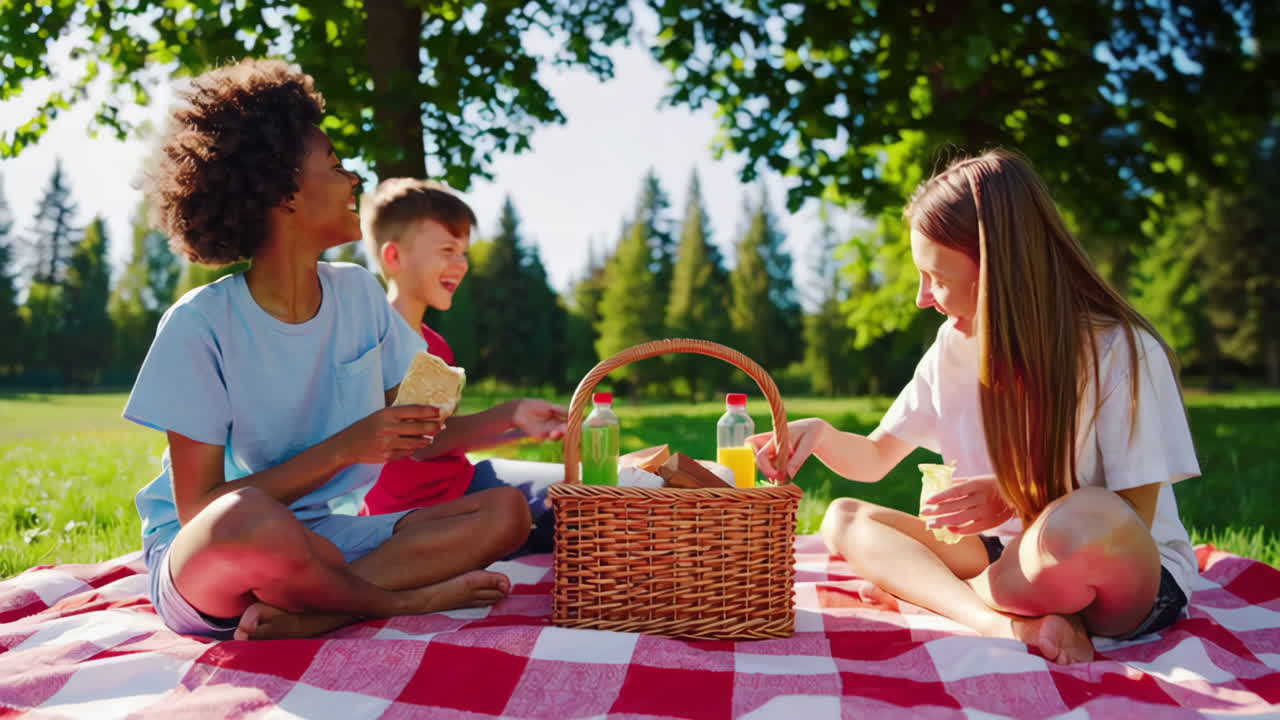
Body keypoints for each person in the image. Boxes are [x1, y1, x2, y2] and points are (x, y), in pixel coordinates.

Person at [125, 59, 532, 642]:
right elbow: (200, 510)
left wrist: (493, 417)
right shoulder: (198, 326)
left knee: (505, 512)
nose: (353, 181)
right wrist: (349, 447)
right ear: (283, 191)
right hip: (217, 558)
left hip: (325, 539)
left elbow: (420, 439)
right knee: (251, 522)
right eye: (337, 166)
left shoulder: (360, 295)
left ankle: (318, 613)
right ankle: (398, 602)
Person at [751, 150, 1199, 664]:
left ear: (1000, 270)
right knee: (844, 517)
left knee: (1079, 524)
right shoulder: (951, 347)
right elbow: (875, 458)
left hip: (1112, 571)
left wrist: (1015, 496)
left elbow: (1130, 520)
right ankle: (996, 621)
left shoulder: (1120, 348)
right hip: (1010, 561)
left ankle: (940, 590)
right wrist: (823, 435)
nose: (923, 297)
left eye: (936, 277)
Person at [354, 178, 566, 554]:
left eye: (464, 252)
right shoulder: (375, 340)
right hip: (412, 513)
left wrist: (520, 431)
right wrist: (510, 413)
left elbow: (446, 438)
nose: (461, 264)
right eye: (448, 249)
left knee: (576, 506)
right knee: (552, 527)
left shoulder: (437, 346)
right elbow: (418, 445)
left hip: (464, 484)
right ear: (394, 258)